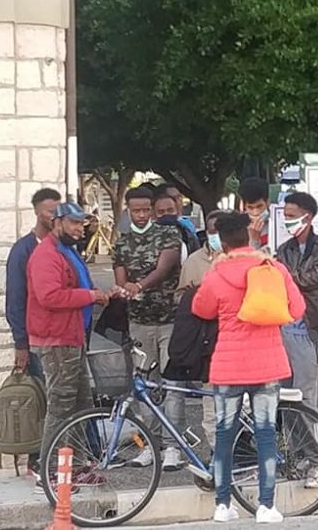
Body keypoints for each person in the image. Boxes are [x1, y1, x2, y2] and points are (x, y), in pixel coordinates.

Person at [192, 212, 306, 524]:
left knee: (224, 434)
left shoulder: (217, 273)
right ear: (248, 237)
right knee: (266, 433)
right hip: (267, 365)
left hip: (228, 367)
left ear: (222, 242)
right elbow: (297, 308)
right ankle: (266, 506)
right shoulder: (272, 267)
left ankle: (222, 505)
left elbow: (200, 309)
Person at [27, 203, 112, 490]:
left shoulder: (68, 250)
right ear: (58, 222)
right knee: (61, 405)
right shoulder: (46, 255)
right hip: (57, 340)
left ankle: (74, 466)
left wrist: (96, 293)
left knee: (81, 404)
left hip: (73, 337)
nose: (79, 229)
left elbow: (75, 285)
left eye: (82, 224)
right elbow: (49, 296)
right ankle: (49, 470)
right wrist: (90, 296)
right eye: (74, 223)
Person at [113, 186, 183, 469]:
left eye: (145, 210)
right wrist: (125, 288)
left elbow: (164, 268)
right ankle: (150, 445)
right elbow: (120, 277)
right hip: (139, 322)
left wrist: (139, 285)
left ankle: (173, 446)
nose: (141, 215)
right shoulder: (122, 242)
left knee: (173, 385)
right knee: (143, 385)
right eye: (136, 211)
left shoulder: (168, 234)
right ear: (128, 211)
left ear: (153, 210)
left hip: (169, 320)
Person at [275, 192, 318, 488]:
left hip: (308, 326)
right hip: (283, 326)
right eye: (285, 215)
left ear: (307, 217)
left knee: (305, 398)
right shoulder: (284, 248)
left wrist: (287, 277)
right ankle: (301, 455)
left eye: (291, 215)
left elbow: (316, 278)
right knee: (285, 400)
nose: (287, 220)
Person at [5, 188, 60, 473]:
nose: (55, 216)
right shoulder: (23, 250)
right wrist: (21, 344)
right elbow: (15, 300)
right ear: (37, 212)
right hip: (36, 339)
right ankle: (38, 461)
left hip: (61, 337)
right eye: (50, 211)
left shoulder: (62, 247)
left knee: (59, 398)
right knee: (41, 399)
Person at [164, 210, 225, 453]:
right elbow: (180, 297)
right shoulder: (194, 261)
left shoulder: (237, 259)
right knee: (211, 407)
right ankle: (217, 456)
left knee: (237, 407)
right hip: (205, 341)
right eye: (212, 232)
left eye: (221, 232)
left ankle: (239, 456)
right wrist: (198, 295)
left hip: (230, 339)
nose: (216, 237)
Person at [153, 190, 199, 262]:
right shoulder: (146, 237)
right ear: (154, 215)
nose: (166, 214)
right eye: (161, 212)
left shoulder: (188, 235)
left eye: (170, 210)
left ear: (177, 211)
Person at [239, 177, 271, 250]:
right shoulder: (239, 227)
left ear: (267, 202)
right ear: (244, 206)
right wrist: (254, 240)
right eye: (250, 207)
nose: (256, 212)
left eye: (259, 206)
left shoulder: (276, 225)